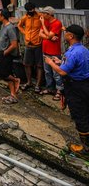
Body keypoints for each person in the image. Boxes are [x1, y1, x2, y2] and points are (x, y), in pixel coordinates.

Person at [44, 25, 89, 158]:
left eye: (66, 33)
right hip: (85, 85)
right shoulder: (83, 49)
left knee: (80, 115)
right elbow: (71, 65)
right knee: (86, 112)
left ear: (71, 36)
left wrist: (50, 63)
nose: (64, 35)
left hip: (76, 88)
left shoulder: (72, 52)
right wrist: (59, 61)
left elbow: (63, 71)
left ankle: (85, 149)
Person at [0, 9, 21, 104]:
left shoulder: (10, 28)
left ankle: (16, 79)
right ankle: (13, 95)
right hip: (2, 52)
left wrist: (5, 53)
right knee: (7, 74)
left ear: (3, 16)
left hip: (7, 54)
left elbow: (14, 44)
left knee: (1, 72)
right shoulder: (3, 26)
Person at [39, 6, 64, 100]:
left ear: (48, 14)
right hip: (45, 50)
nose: (42, 15)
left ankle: (59, 90)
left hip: (54, 52)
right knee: (47, 71)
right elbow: (40, 34)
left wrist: (48, 34)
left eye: (44, 13)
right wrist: (49, 37)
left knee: (56, 72)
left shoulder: (57, 23)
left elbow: (48, 34)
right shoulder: (45, 21)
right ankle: (50, 88)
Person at [18, 2, 43, 92]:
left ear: (34, 9)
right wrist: (25, 33)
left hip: (38, 44)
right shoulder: (25, 17)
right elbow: (19, 25)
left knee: (39, 65)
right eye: (29, 10)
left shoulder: (40, 17)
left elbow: (44, 26)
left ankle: (38, 84)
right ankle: (29, 82)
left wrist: (41, 35)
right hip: (28, 44)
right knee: (27, 64)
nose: (31, 11)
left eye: (32, 9)